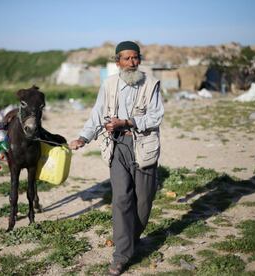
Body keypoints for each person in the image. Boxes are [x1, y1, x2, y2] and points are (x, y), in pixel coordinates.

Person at [69, 41, 164, 275]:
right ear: (117, 62)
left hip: (143, 146)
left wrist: (128, 122)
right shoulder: (109, 84)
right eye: (127, 59)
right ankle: (121, 255)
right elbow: (97, 113)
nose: (132, 63)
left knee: (144, 201)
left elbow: (156, 116)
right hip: (117, 146)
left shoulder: (151, 84)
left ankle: (130, 240)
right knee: (121, 199)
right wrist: (84, 137)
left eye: (136, 58)